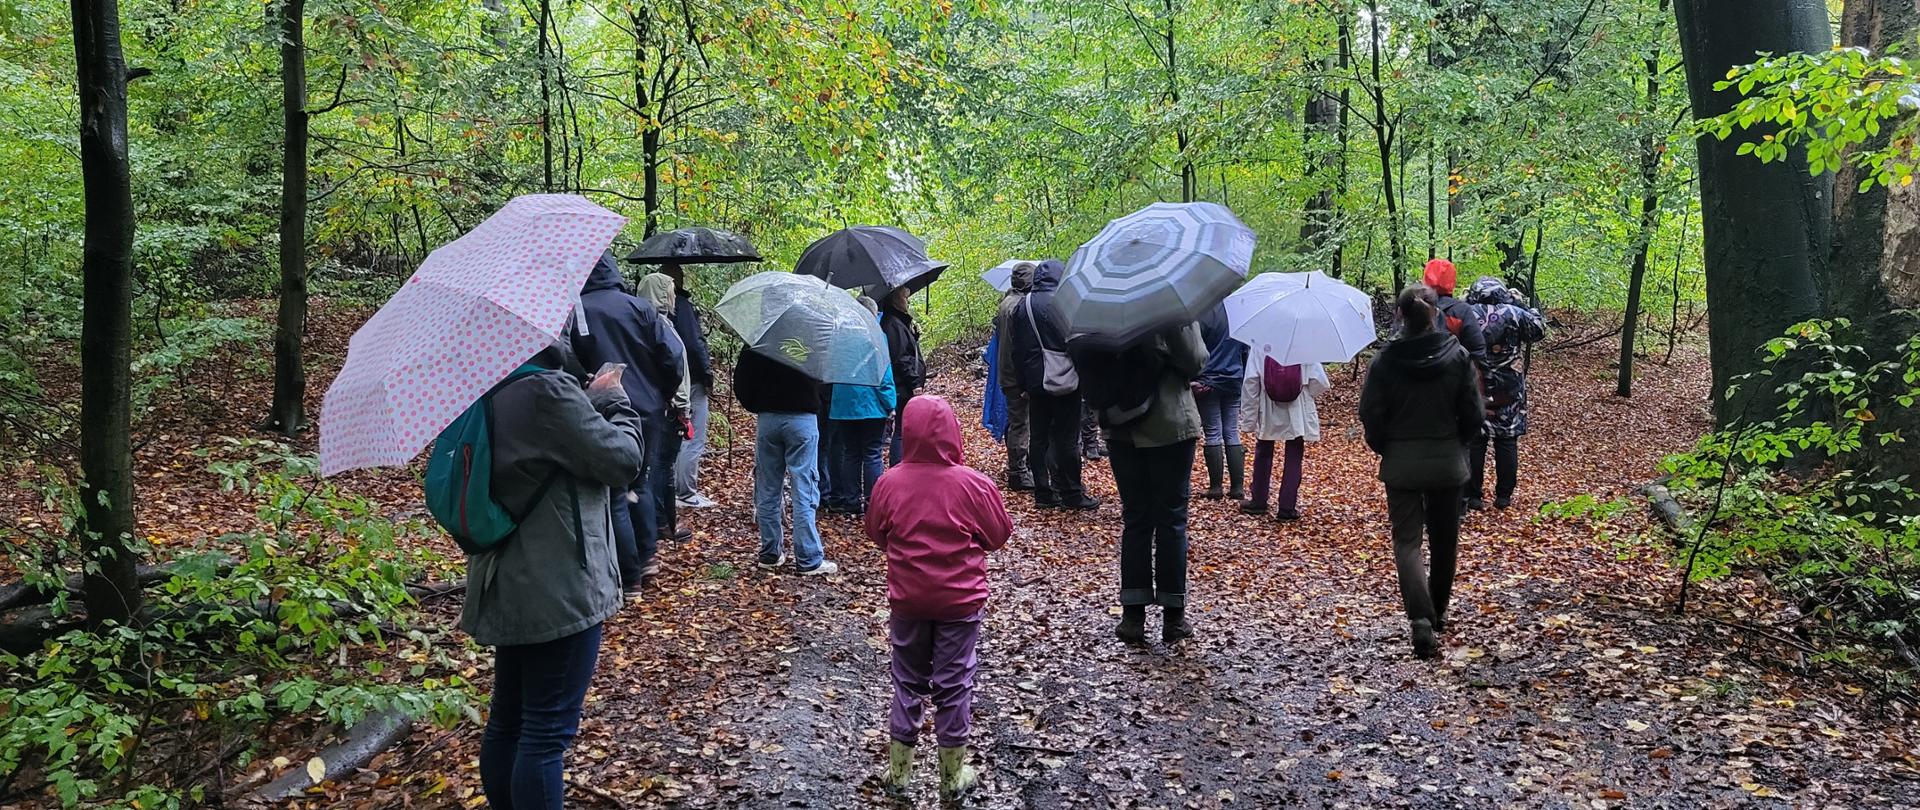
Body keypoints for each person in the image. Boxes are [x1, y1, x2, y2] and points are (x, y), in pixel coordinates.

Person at [465, 337, 643, 810]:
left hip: (505, 571)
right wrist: (614, 402)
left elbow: (542, 451)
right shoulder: (546, 390)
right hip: (557, 580)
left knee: (508, 720)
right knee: (545, 733)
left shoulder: (487, 384)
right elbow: (622, 460)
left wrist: (582, 402)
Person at [866, 396, 1013, 801]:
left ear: (906, 432)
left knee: (907, 681)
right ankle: (951, 776)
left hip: (908, 600)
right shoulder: (974, 485)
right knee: (955, 683)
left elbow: (876, 532)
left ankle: (900, 774)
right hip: (959, 603)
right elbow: (998, 534)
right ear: (953, 432)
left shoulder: (889, 483)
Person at [1359, 284, 1484, 659]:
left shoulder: (1385, 361)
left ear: (1399, 315)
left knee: (1407, 542)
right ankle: (1438, 612)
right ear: (1437, 314)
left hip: (1402, 463)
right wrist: (1458, 443)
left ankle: (1420, 619)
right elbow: (1474, 413)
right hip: (1447, 462)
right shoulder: (1458, 356)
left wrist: (1387, 447)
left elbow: (1370, 414)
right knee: (1445, 541)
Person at [572, 252, 684, 593]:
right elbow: (672, 356)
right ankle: (647, 558)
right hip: (647, 410)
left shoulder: (576, 312)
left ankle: (629, 575)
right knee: (641, 483)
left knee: (615, 491)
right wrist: (661, 394)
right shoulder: (639, 308)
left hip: (600, 410)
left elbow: (569, 362)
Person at [1104, 322, 1208, 644]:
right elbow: (1195, 359)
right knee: (1171, 521)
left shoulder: (1102, 306)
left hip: (1120, 425)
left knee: (1136, 519)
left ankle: (1132, 617)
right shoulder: (1171, 306)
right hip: (1170, 422)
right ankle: (1173, 618)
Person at [735, 346, 839, 575]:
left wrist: (759, 404)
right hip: (803, 418)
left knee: (767, 486)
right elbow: (828, 376)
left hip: (768, 419)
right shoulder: (815, 337)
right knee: (804, 487)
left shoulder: (760, 339)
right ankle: (808, 557)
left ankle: (770, 552)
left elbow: (741, 382)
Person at [1010, 259, 1098, 510]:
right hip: (1066, 381)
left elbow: (1017, 350)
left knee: (1039, 438)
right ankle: (1072, 493)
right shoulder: (1064, 303)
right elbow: (1078, 342)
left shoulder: (1023, 305)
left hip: (1036, 383)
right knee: (1067, 438)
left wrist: (1022, 384)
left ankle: (1043, 492)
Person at [1464, 277, 1548, 510]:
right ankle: (1504, 495)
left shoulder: (1467, 313)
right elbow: (1539, 329)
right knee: (1507, 438)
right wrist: (1522, 304)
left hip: (1475, 383)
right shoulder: (1514, 313)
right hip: (1508, 385)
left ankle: (1473, 496)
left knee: (1475, 438)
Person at [826, 296, 898, 514]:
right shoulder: (876, 336)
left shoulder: (839, 337)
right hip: (871, 404)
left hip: (844, 405)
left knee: (851, 453)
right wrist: (890, 403)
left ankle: (850, 502)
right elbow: (884, 373)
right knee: (872, 452)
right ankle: (872, 502)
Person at [1239, 349, 1330, 521]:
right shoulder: (1302, 345)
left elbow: (1251, 382)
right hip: (1297, 407)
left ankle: (1258, 501)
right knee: (1294, 453)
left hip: (1268, 405)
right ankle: (1287, 508)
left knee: (1264, 449)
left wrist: (1248, 420)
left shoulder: (1261, 344)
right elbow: (1320, 382)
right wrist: (1304, 391)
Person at [640, 273, 694, 544]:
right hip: (668, 409)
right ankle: (662, 523)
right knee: (663, 467)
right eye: (670, 291)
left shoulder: (639, 324)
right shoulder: (660, 327)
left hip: (652, 407)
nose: (674, 297)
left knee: (655, 467)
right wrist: (682, 407)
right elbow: (675, 368)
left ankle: (658, 522)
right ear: (662, 294)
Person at [661, 263, 719, 510]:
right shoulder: (682, 306)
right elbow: (694, 345)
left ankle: (672, 488)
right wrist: (707, 376)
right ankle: (686, 492)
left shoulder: (648, 310)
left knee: (673, 435)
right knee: (692, 435)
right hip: (691, 380)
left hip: (665, 381)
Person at [1193, 303, 1249, 500]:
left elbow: (1195, 351)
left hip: (1208, 381)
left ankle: (1216, 487)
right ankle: (1237, 488)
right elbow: (1245, 350)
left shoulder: (1202, 313)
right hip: (1233, 379)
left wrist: (1194, 379)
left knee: (1213, 433)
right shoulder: (1238, 313)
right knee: (1232, 432)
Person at [991, 262, 1037, 489]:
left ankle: (1018, 467)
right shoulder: (1019, 306)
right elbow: (1021, 346)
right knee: (1021, 423)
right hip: (1017, 375)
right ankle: (1018, 472)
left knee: (1016, 420)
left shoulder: (1006, 303)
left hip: (1007, 372)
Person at [881, 286, 927, 467]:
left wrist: (913, 337)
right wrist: (914, 382)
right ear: (896, 300)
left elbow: (905, 350)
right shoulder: (892, 324)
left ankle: (902, 468)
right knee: (901, 430)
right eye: (905, 298)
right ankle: (899, 469)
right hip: (903, 385)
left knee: (903, 429)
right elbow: (900, 357)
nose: (908, 302)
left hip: (903, 383)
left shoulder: (897, 322)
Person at [1421, 258, 1492, 372]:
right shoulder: (1461, 311)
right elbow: (1477, 350)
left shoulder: (1410, 306)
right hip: (1452, 377)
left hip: (1414, 377)